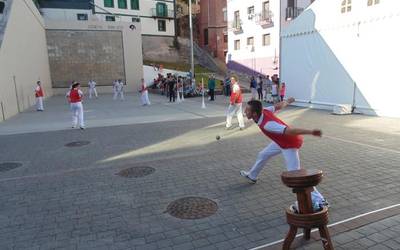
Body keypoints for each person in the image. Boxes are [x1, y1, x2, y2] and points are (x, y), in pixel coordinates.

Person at [240, 99, 327, 211]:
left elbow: (290, 131)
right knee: (263, 154)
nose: (244, 112)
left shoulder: (268, 125)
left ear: (255, 114)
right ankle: (252, 175)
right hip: (280, 141)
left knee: (295, 174)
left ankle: (320, 200)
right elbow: (278, 106)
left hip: (289, 143)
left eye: (247, 110)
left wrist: (310, 132)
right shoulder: (265, 111)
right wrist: (288, 101)